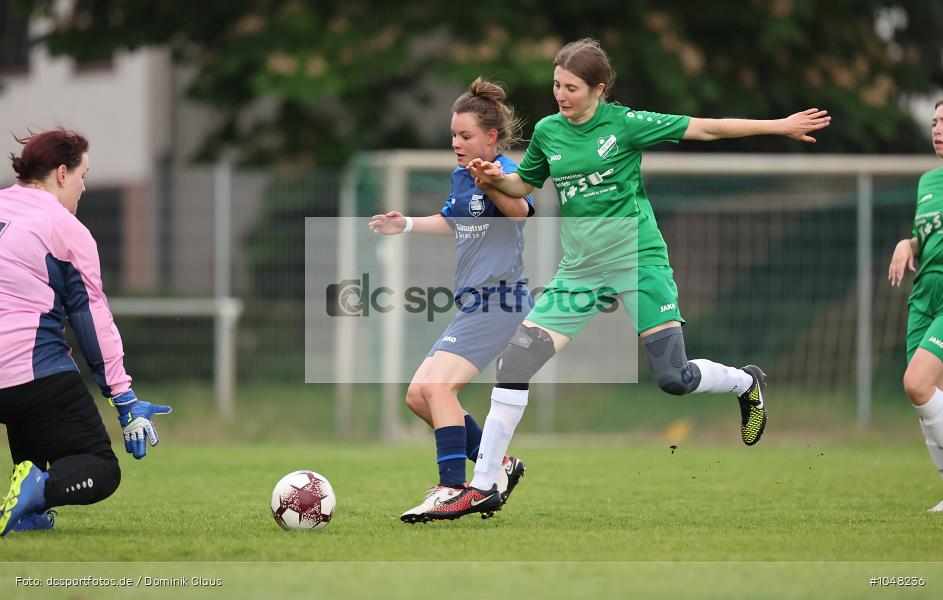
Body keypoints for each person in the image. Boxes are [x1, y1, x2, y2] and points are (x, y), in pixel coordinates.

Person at [432, 38, 831, 518]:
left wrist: (778, 126)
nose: (561, 94)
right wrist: (492, 178)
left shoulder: (623, 124)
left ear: (598, 89)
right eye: (557, 84)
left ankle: (745, 383)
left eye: (572, 87)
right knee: (515, 364)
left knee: (673, 378)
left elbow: (704, 129)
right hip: (580, 271)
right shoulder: (548, 132)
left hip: (638, 260)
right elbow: (524, 185)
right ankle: (484, 484)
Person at [369, 78, 534, 522]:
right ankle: (497, 464)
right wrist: (403, 224)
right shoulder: (461, 176)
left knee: (439, 388)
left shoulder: (505, 172)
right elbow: (452, 221)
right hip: (474, 305)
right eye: (453, 136)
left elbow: (520, 213)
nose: (457, 144)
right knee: (418, 396)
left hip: (501, 302)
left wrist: (492, 181)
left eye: (465, 136)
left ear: (491, 137)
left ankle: (451, 487)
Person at [0, 128, 172, 536]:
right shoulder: (62, 226)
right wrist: (123, 397)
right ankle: (37, 492)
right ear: (62, 173)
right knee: (99, 467)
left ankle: (29, 510)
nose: (84, 187)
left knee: (37, 456)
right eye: (83, 175)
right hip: (32, 373)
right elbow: (90, 317)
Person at [888, 99, 943, 512]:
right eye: (935, 121)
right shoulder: (927, 182)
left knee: (916, 383)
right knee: (927, 396)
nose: (938, 129)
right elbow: (922, 239)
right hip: (924, 293)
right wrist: (906, 244)